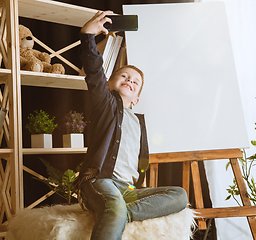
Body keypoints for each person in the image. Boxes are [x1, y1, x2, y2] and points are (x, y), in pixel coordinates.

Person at [77, 10, 188, 240]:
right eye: (124, 76)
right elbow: (94, 72)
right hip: (100, 182)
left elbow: (140, 161)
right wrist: (88, 35)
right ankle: (114, 210)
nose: (129, 81)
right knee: (113, 203)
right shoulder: (106, 104)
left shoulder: (139, 122)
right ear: (109, 84)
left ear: (136, 99)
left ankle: (119, 213)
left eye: (135, 82)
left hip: (127, 190)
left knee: (179, 195)